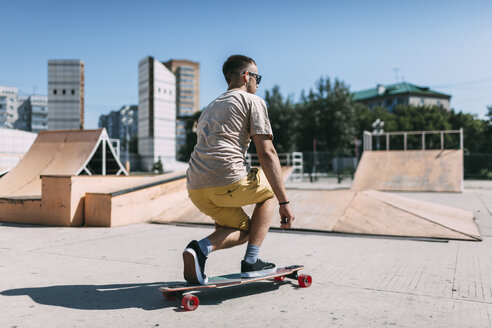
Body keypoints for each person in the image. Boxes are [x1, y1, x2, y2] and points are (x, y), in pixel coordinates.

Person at [183, 54, 295, 284]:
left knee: (244, 231)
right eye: (257, 77)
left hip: (195, 187)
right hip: (226, 180)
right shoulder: (253, 101)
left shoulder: (210, 107)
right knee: (271, 190)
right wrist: (284, 202)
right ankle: (251, 262)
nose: (257, 83)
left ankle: (199, 249)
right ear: (246, 76)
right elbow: (267, 152)